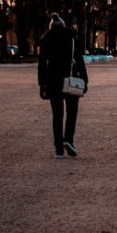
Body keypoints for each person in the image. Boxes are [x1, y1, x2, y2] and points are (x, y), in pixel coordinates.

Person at [38, 13, 88, 158]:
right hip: (71, 78)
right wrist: (85, 80)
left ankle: (58, 148)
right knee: (72, 113)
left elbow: (42, 64)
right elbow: (79, 60)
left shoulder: (46, 39)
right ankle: (69, 140)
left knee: (57, 115)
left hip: (53, 80)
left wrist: (42, 83)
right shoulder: (71, 38)